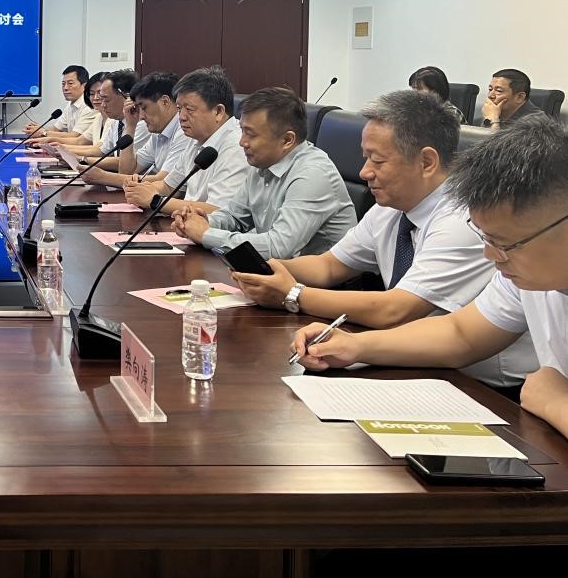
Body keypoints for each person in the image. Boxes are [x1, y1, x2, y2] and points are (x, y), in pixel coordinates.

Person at [236, 90, 535, 390]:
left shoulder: (463, 221)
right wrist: (266, 269)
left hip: (485, 387)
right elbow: (329, 265)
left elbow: (396, 310)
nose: (365, 172)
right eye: (365, 158)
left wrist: (293, 295)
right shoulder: (391, 206)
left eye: (377, 161)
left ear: (426, 162)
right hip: (418, 359)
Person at [292, 116, 564, 433]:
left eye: (504, 243)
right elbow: (461, 334)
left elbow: (545, 393)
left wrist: (555, 403)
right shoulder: (524, 275)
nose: (490, 256)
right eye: (487, 239)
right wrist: (356, 346)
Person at [172, 87, 356, 258]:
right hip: (273, 271)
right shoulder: (262, 163)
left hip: (317, 280)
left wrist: (206, 234)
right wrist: (200, 221)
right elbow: (235, 216)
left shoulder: (313, 175)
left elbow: (279, 247)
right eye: (242, 131)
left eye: (251, 134)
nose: (242, 142)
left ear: (287, 140)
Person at [124, 65, 251, 216]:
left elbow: (219, 211)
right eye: (179, 109)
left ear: (218, 111)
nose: (181, 117)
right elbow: (169, 186)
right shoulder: (195, 138)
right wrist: (141, 189)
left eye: (189, 110)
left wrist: (155, 200)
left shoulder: (237, 146)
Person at [73, 70, 140, 187]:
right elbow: (103, 151)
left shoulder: (140, 124)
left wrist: (83, 159)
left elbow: (124, 167)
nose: (103, 105)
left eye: (106, 99)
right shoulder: (116, 121)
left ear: (127, 98)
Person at [25, 64, 96, 141]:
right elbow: (56, 129)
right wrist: (37, 130)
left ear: (84, 86)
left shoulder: (90, 106)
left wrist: (43, 132)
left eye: (70, 83)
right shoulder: (70, 105)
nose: (65, 88)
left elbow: (75, 136)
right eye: (63, 84)